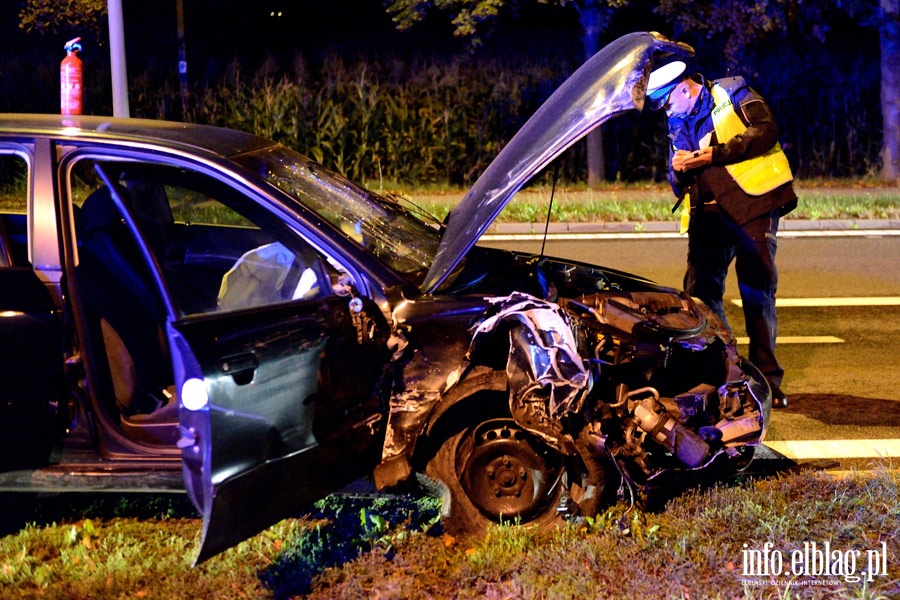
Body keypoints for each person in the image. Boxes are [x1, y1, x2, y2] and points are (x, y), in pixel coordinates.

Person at [646, 60, 797, 408]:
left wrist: (715, 154)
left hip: (753, 203)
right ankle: (723, 373)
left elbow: (765, 130)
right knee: (699, 295)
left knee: (756, 290)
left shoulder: (731, 92)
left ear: (684, 89)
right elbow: (679, 179)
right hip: (708, 211)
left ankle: (767, 382)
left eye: (668, 103)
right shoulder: (677, 122)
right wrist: (677, 171)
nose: (667, 111)